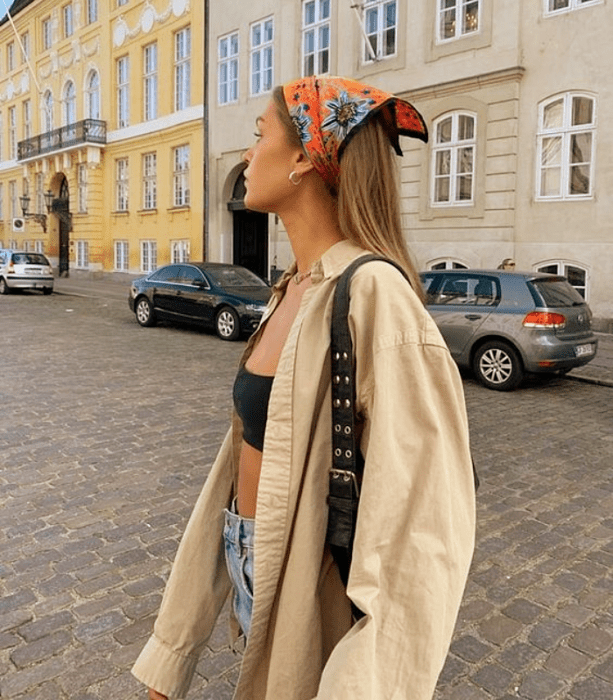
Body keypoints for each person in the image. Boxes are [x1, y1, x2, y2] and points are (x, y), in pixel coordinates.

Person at [132, 76, 476, 700]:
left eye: (259, 134)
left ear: (303, 158)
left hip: (310, 588)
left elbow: (419, 549)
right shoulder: (290, 287)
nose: (245, 154)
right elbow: (230, 470)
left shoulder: (376, 298)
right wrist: (170, 658)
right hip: (250, 563)